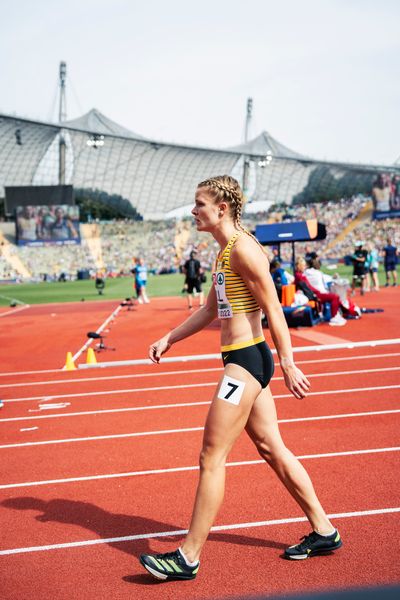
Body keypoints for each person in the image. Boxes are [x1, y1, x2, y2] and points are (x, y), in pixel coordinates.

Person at [140, 175, 342, 582]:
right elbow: (211, 311)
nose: (194, 210)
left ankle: (188, 557)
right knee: (272, 447)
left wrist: (288, 361)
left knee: (210, 455)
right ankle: (325, 530)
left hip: (247, 362)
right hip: (244, 358)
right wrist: (170, 337)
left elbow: (274, 307)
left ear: (222, 208)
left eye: (199, 204)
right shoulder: (224, 252)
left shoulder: (245, 251)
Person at [295, 257, 346, 326]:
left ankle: (335, 315)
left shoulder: (302, 275)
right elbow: (308, 287)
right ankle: (334, 317)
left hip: (314, 293)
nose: (305, 267)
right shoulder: (300, 276)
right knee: (335, 297)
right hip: (313, 294)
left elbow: (308, 287)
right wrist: (316, 293)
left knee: (335, 297)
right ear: (300, 266)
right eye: (304, 265)